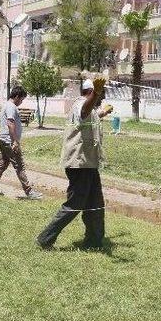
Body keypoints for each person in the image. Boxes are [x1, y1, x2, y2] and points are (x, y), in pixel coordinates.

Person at [36, 77, 113, 249]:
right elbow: (84, 112)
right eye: (100, 92)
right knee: (75, 204)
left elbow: (91, 115)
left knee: (96, 203)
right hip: (79, 164)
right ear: (91, 91)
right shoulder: (81, 104)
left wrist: (103, 112)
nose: (102, 96)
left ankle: (94, 241)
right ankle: (45, 239)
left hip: (89, 164)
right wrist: (96, 94)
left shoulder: (90, 108)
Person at [0, 85, 43, 199]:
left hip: (3, 141)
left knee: (1, 165)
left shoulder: (7, 105)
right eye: (21, 99)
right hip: (9, 142)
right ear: (17, 96)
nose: (21, 102)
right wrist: (15, 142)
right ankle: (29, 192)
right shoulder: (11, 107)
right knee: (20, 166)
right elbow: (10, 123)